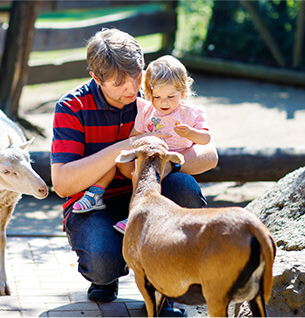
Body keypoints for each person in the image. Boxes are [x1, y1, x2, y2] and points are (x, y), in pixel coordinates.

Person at [50, 28, 218, 314]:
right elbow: (63, 184)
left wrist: (164, 161)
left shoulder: (157, 95)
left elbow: (209, 156)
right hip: (95, 205)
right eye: (119, 83)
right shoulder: (71, 107)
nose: (132, 88)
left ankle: (165, 290)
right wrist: (127, 145)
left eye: (136, 76)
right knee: (103, 263)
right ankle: (107, 274)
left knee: (185, 188)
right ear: (96, 77)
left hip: (150, 198)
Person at [113, 55, 211, 233]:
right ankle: (133, 217)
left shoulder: (190, 113)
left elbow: (205, 139)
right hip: (150, 160)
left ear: (183, 92)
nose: (164, 102)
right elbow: (134, 135)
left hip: (174, 164)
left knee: (180, 187)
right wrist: (144, 139)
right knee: (139, 176)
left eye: (170, 96)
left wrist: (190, 132)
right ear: (149, 93)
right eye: (157, 96)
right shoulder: (147, 110)